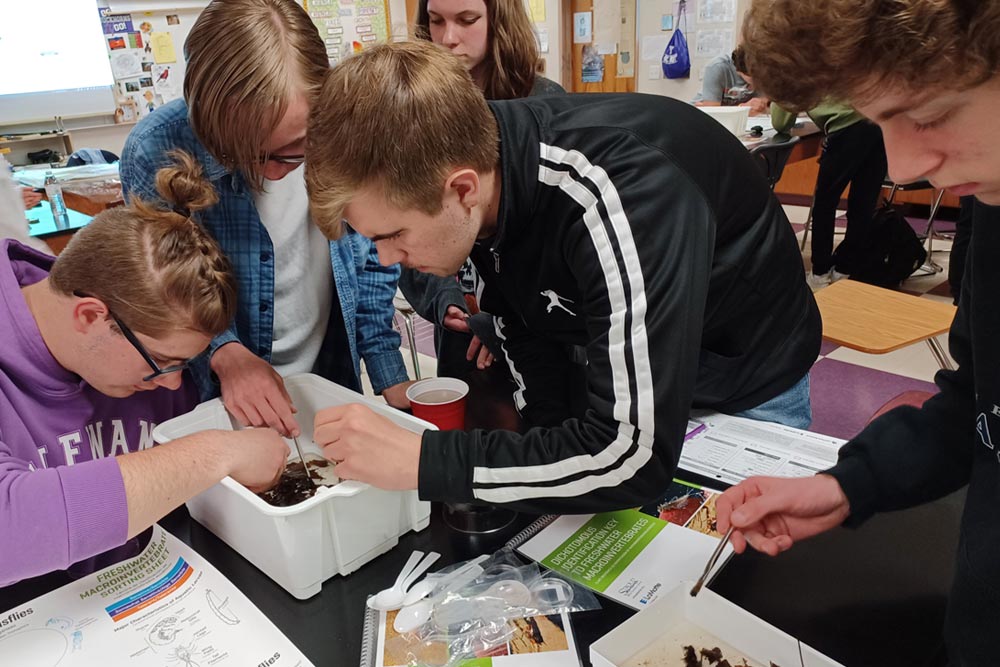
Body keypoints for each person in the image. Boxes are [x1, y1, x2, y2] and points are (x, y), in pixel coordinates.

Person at [303, 41, 821, 512]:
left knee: (727, 586)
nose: (387, 260)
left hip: (742, 386)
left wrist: (427, 460)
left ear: (462, 190)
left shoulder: (616, 195)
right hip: (630, 381)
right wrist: (540, 441)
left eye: (393, 234)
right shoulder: (479, 173)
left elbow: (631, 461)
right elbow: (522, 324)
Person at [713, 1, 1000, 663]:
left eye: (929, 114)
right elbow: (978, 406)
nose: (901, 166)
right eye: (878, 121)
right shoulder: (990, 203)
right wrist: (846, 485)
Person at [121, 0, 412, 439]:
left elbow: (371, 253)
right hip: (218, 395)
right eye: (243, 151)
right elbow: (165, 293)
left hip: (329, 369)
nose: (270, 172)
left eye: (292, 149)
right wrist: (225, 351)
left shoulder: (344, 125)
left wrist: (387, 367)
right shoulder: (155, 149)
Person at [0, 151, 288, 585]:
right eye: (163, 364)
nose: (172, 384)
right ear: (91, 317)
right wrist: (218, 452)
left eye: (185, 364)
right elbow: (13, 528)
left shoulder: (145, 347)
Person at [401, 0, 566, 377]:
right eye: (436, 21)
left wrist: (505, 314)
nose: (448, 38)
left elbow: (560, 244)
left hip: (539, 335)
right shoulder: (416, 113)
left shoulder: (544, 105)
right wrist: (444, 298)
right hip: (464, 335)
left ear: (499, 20)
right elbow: (407, 230)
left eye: (467, 20)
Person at [771, 102, 887, 289]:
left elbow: (780, 122)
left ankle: (820, 273)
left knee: (825, 204)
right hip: (877, 122)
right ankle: (845, 268)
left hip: (845, 129)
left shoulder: (791, 72)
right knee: (863, 204)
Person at [693, 46, 768, 115]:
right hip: (698, 116)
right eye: (754, 78)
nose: (758, 82)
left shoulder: (767, 70)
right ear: (738, 71)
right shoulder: (717, 67)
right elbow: (712, 114)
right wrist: (742, 109)